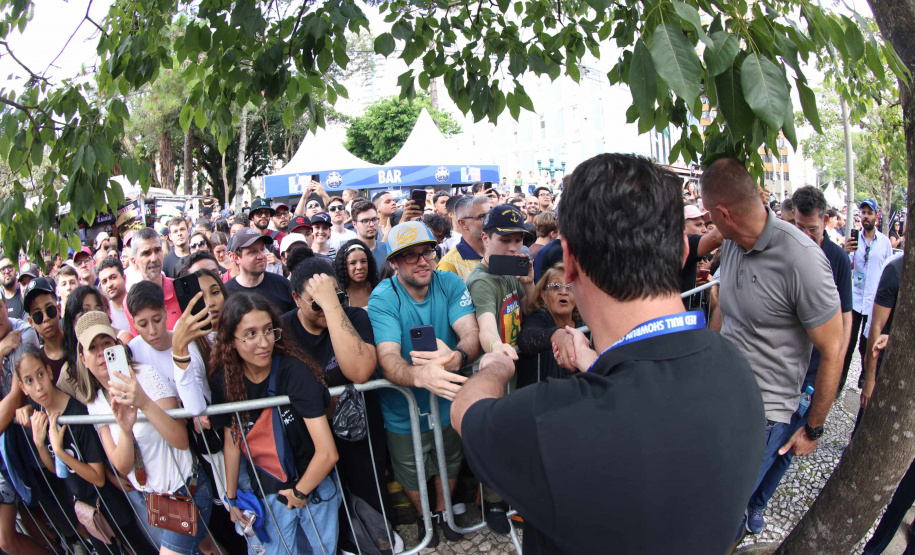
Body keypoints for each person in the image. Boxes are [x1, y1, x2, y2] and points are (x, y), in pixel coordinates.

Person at [450, 153, 765, 554]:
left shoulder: (554, 419)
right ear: (683, 254)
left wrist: (493, 367)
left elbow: (466, 412)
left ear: (570, 264)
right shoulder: (736, 368)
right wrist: (593, 363)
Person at [700, 158, 844, 537]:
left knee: (723, 517)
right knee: (700, 505)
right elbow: (723, 314)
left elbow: (834, 349)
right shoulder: (732, 244)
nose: (708, 222)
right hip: (719, 397)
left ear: (724, 213)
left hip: (762, 414)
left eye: (709, 215)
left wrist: (813, 429)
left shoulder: (802, 259)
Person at [746, 185, 854, 532]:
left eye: (813, 230)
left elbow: (845, 319)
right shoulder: (781, 248)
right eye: (798, 226)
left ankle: (757, 504)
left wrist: (833, 369)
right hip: (780, 370)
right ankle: (742, 501)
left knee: (791, 444)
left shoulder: (836, 260)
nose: (805, 235)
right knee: (763, 443)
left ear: (825, 222)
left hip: (811, 374)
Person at [368, 221, 481, 547]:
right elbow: (387, 357)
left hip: (448, 401)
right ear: (393, 263)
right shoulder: (383, 297)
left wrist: (457, 357)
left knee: (450, 458)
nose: (422, 261)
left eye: (427, 252)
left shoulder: (449, 283)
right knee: (409, 469)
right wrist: (420, 376)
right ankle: (423, 516)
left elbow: (471, 334)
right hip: (403, 409)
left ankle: (445, 513)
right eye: (410, 256)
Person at [75, 311, 219, 555]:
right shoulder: (96, 402)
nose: (101, 353)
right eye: (93, 348)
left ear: (118, 346)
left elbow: (181, 440)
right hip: (156, 501)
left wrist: (142, 402)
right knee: (208, 549)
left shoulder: (147, 376)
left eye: (106, 344)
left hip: (187, 490)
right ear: (83, 358)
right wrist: (125, 428)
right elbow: (122, 465)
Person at [283, 258, 401, 553]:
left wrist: (332, 306)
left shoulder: (353, 317)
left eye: (335, 297)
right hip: (311, 437)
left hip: (359, 433)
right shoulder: (283, 329)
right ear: (296, 299)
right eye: (316, 302)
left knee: (370, 498)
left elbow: (360, 371)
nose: (326, 307)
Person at [213, 293, 342, 555]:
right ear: (230, 340)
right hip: (264, 495)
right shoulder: (224, 379)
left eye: (268, 330)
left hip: (311, 491)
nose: (263, 343)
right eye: (250, 334)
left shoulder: (294, 371)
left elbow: (328, 452)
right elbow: (232, 439)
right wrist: (231, 498)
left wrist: (299, 492)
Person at [16, 344, 159, 555]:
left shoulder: (76, 413)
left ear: (48, 371)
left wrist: (60, 451)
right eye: (29, 381)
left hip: (109, 503)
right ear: (23, 388)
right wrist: (40, 444)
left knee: (138, 548)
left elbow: (98, 477)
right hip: (87, 509)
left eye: (40, 375)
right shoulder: (39, 415)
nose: (38, 387)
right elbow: (59, 470)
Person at [463, 204, 535, 534]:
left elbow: (527, 307)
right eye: (505, 239)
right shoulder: (481, 280)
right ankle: (492, 501)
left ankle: (510, 496)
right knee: (493, 436)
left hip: (513, 366)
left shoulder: (510, 271)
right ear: (485, 237)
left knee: (511, 434)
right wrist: (496, 348)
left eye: (518, 239)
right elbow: (486, 326)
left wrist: (531, 282)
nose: (512, 247)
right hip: (492, 371)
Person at [839, 197, 894, 395]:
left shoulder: (885, 243)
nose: (866, 216)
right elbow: (847, 267)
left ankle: (864, 378)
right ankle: (840, 382)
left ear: (876, 217)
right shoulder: (854, 240)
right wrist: (846, 252)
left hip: (873, 303)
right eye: (863, 213)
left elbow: (889, 270)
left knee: (867, 346)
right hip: (855, 300)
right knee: (848, 343)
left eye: (869, 213)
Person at [516, 263, 583, 386]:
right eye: (555, 286)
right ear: (544, 296)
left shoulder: (583, 324)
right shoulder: (540, 317)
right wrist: (557, 336)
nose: (563, 292)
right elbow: (525, 337)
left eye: (570, 287)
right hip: (541, 401)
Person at [125, 227, 183, 334]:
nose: (154, 258)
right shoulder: (130, 301)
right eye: (146, 253)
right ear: (134, 261)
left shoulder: (180, 289)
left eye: (157, 250)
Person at [224, 228, 296, 313]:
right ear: (236, 257)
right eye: (253, 252)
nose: (261, 256)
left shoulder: (283, 285)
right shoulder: (226, 292)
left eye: (262, 249)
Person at [23, 277, 67, 380]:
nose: (46, 318)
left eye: (50, 310)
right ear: (31, 322)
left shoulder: (78, 345)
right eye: (38, 315)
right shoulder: (38, 364)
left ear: (59, 309)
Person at [436, 195, 488, 281]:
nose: (489, 221)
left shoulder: (499, 251)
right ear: (463, 224)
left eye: (490, 215)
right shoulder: (449, 265)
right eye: (482, 217)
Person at [334, 239, 379, 309]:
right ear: (343, 266)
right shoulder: (340, 296)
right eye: (352, 263)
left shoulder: (377, 289)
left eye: (363, 261)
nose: (359, 267)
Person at [351, 200, 389, 277]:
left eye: (374, 219)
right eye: (365, 221)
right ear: (354, 224)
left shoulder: (388, 248)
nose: (371, 224)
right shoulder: (347, 252)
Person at [98, 258, 130, 331]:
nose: (109, 285)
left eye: (113, 278)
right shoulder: (103, 315)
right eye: (104, 282)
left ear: (124, 278)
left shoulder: (140, 304)